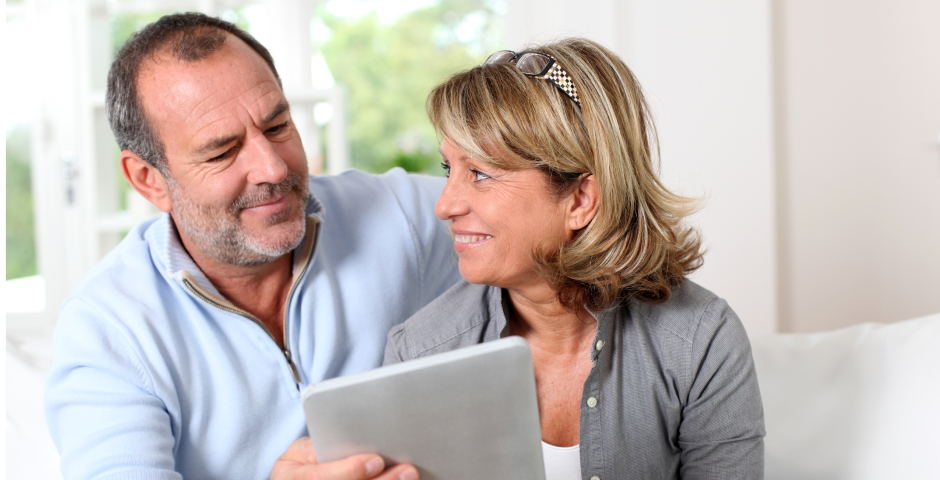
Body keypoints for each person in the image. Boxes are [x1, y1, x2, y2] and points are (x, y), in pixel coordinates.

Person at [43, 12, 459, 480]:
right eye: (221, 152)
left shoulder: (396, 216)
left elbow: (530, 216)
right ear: (148, 180)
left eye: (278, 126)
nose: (273, 169)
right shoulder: (109, 330)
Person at [381, 38, 765, 479]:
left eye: (481, 173)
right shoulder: (420, 353)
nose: (444, 205)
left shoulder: (700, 339)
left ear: (580, 200)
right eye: (449, 169)